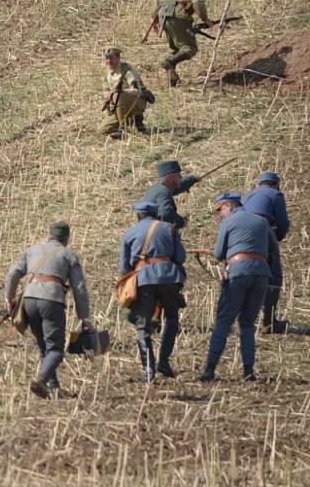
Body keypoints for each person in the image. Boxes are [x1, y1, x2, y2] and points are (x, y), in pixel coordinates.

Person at [4, 221, 93, 398]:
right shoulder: (69, 255)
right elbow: (79, 288)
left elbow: (13, 273)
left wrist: (9, 298)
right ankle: (41, 381)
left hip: (29, 300)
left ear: (49, 235)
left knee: (44, 346)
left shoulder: (32, 250)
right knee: (56, 350)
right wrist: (85, 317)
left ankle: (53, 388)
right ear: (67, 238)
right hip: (51, 300)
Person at [200, 193, 278, 382]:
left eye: (221, 209)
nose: (220, 214)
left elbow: (219, 253)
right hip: (261, 275)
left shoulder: (228, 222)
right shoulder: (261, 222)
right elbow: (274, 247)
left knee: (224, 321)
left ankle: (209, 369)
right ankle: (248, 371)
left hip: (238, 272)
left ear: (229, 205)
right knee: (248, 323)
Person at [119, 201, 187, 383]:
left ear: (138, 215)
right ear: (156, 214)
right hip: (170, 278)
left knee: (142, 326)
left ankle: (149, 370)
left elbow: (124, 268)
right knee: (171, 319)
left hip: (144, 280)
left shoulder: (129, 233)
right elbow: (181, 257)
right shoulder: (170, 228)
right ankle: (164, 362)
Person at [242, 172, 291, 333]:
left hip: (242, 235)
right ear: (275, 184)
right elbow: (283, 223)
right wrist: (276, 238)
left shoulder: (247, 195)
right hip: (263, 230)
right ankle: (269, 322)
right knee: (274, 276)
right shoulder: (275, 194)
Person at [153, 0, 216, 86]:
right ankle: (169, 61)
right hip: (178, 17)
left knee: (177, 49)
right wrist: (206, 20)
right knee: (190, 48)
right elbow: (198, 3)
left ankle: (171, 78)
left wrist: (156, 19)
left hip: (163, 16)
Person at [99, 47, 152, 139]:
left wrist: (118, 92)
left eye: (112, 58)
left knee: (118, 96)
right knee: (104, 129)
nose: (109, 61)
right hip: (119, 106)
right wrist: (108, 96)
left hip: (137, 102)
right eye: (107, 58)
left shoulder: (127, 70)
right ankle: (132, 122)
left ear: (118, 58)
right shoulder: (106, 73)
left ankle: (123, 129)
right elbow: (106, 91)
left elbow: (137, 91)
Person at [142, 160, 200, 229]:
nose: (181, 177)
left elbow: (178, 187)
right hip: (155, 233)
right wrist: (181, 222)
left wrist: (192, 179)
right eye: (178, 175)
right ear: (169, 177)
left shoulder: (157, 188)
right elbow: (166, 214)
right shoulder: (164, 191)